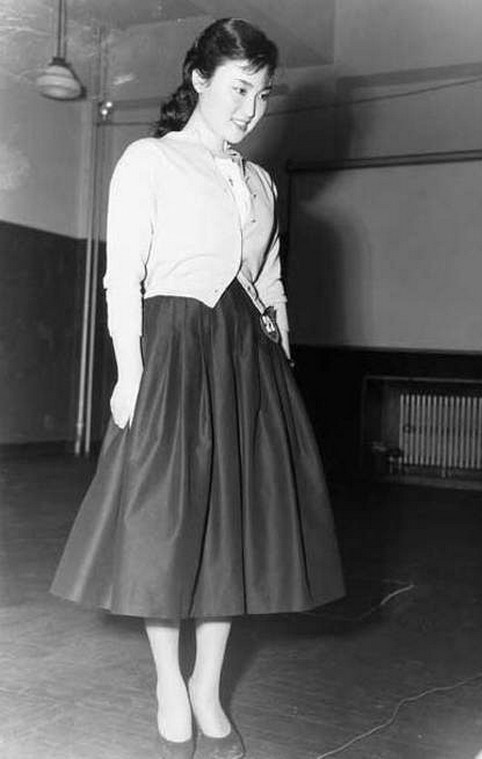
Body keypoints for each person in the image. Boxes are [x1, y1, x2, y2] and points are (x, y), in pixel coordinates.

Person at [50, 17, 344, 759]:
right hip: (175, 353)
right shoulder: (149, 161)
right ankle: (169, 686)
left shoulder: (262, 182)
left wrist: (281, 363)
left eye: (263, 94)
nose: (251, 108)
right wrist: (129, 372)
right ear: (200, 80)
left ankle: (208, 688)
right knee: (167, 526)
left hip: (246, 362)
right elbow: (123, 276)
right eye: (239, 89)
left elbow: (269, 282)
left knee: (231, 532)